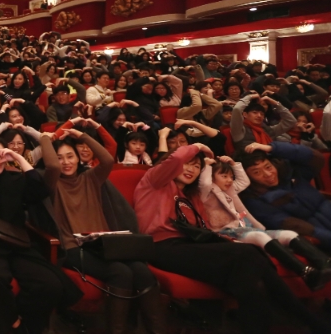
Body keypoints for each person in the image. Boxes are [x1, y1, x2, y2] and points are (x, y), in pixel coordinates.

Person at [134, 143, 330, 334]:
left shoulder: (191, 196)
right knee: (247, 255)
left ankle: (272, 325)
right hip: (162, 246)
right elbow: (176, 158)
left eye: (196, 166)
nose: (191, 169)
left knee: (249, 275)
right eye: (188, 163)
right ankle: (305, 318)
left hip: (189, 246)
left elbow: (202, 229)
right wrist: (198, 148)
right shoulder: (154, 182)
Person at [38, 129, 166, 334]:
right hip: (73, 247)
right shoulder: (51, 182)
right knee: (121, 272)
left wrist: (83, 136)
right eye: (60, 157)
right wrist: (44, 138)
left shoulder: (90, 178)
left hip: (105, 244)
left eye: (70, 156)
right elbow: (52, 166)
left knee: (143, 272)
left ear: (79, 156)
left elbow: (106, 159)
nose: (66, 162)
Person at [0, 136, 80, 334]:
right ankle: (9, 323)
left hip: (17, 243)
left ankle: (25, 323)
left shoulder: (15, 178)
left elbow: (40, 191)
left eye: (1, 155)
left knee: (49, 283)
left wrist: (17, 157)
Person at [198, 154, 331, 290]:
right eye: (224, 176)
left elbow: (244, 182)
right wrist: (207, 166)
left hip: (246, 228)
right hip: (226, 233)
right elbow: (205, 183)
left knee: (288, 234)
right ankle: (306, 272)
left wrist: (233, 164)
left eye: (231, 177)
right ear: (212, 177)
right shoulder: (206, 194)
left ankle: (324, 262)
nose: (229, 180)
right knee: (260, 236)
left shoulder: (231, 190)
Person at [239, 141, 331, 251]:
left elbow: (316, 158)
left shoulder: (289, 173)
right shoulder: (254, 200)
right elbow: (295, 226)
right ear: (248, 178)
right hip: (318, 238)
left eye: (268, 167)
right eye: (257, 173)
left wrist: (273, 148)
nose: (268, 174)